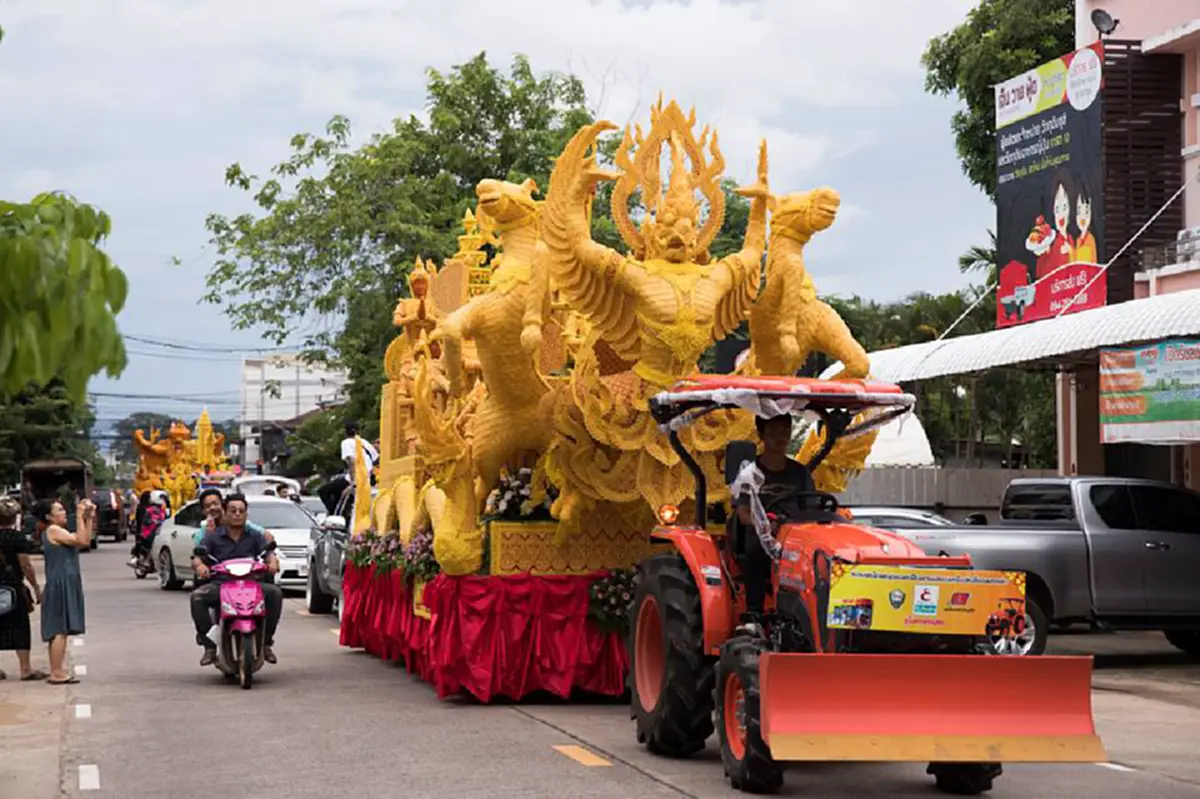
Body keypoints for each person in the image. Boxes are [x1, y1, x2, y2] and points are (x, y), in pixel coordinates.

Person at [734, 414, 815, 630]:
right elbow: (743, 513)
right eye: (772, 431)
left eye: (784, 431)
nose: (779, 437)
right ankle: (754, 614)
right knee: (756, 545)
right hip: (763, 535)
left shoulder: (800, 473)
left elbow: (811, 509)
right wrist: (765, 526)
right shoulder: (750, 474)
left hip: (795, 534)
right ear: (761, 435)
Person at [189, 493, 282, 666]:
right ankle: (209, 646)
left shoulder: (254, 536)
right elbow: (197, 556)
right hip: (221, 584)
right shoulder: (212, 536)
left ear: (246, 514)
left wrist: (272, 561)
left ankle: (267, 643)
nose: (237, 514)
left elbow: (268, 552)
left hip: (251, 585)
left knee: (275, 593)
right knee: (197, 597)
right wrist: (200, 566)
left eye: (241, 511)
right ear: (225, 513)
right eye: (233, 510)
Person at [36, 497, 94, 684]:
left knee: (62, 628)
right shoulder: (53, 530)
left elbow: (85, 539)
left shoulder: (57, 531)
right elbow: (81, 539)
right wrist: (79, 515)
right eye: (59, 510)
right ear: (49, 516)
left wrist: (89, 518)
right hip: (60, 582)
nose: (63, 512)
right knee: (60, 629)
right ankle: (56, 672)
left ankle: (57, 669)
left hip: (64, 580)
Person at [0, 497, 47, 681]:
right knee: (20, 627)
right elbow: (26, 565)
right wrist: (35, 588)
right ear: (15, 518)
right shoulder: (17, 538)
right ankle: (25, 669)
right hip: (13, 587)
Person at [317, 421, 379, 514]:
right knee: (339, 493)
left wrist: (353, 481)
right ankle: (344, 511)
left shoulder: (346, 442)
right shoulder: (364, 442)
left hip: (355, 478)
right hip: (366, 479)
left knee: (323, 491)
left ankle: (334, 513)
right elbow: (376, 458)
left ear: (345, 432)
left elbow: (351, 461)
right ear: (359, 432)